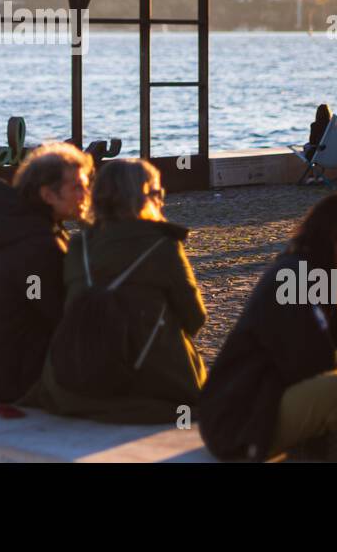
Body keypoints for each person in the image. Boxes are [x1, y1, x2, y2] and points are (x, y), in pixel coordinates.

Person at [200, 191, 337, 462]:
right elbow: (312, 364)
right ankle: (330, 441)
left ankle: (324, 440)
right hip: (244, 418)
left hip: (281, 390)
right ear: (336, 236)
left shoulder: (320, 272)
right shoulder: (293, 278)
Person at [21, 158, 207, 424]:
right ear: (143, 198)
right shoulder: (162, 246)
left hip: (71, 383)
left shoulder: (78, 247)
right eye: (156, 192)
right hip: (144, 383)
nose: (161, 200)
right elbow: (194, 318)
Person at [0, 142, 93, 403]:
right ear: (48, 195)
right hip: (10, 379)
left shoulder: (14, 225)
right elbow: (62, 316)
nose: (86, 193)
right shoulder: (36, 244)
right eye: (77, 187)